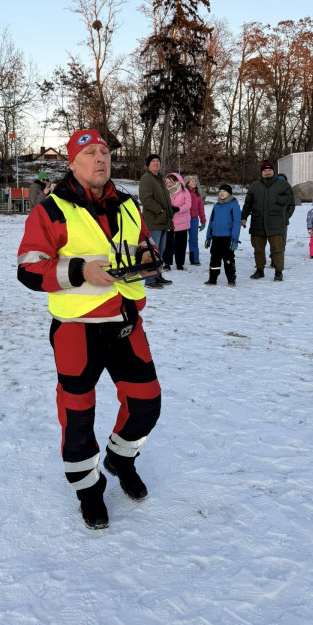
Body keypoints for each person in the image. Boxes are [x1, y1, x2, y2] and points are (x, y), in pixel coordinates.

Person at [17, 129, 162, 530]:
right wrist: (80, 270)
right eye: (90, 153)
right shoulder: (51, 210)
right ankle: (89, 491)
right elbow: (29, 269)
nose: (101, 159)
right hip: (76, 331)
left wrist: (148, 258)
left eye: (105, 152)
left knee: (147, 405)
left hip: (126, 322)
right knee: (78, 419)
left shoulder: (130, 205)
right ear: (72, 162)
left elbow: (139, 247)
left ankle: (120, 459)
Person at [241, 160, 295, 282]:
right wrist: (243, 217)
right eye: (264, 170)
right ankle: (260, 270)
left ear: (273, 171)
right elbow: (247, 204)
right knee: (258, 249)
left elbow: (290, 201)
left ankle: (278, 271)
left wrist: (284, 215)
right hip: (257, 221)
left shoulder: (283, 185)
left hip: (276, 223)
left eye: (269, 170)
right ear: (261, 172)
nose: (267, 172)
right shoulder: (255, 186)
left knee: (277, 249)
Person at [138, 154, 174, 289]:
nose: (156, 163)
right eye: (153, 161)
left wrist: (170, 212)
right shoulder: (146, 178)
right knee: (152, 252)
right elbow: (145, 199)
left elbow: (165, 199)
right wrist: (160, 210)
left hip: (163, 221)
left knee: (161, 251)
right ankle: (149, 279)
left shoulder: (159, 179)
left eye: (158, 161)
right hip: (153, 221)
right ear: (148, 165)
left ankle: (157, 275)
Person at [204, 184, 241, 286]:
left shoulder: (234, 205)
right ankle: (212, 278)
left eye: (224, 191)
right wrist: (208, 237)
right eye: (220, 191)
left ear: (229, 193)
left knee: (228, 259)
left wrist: (234, 239)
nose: (221, 193)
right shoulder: (216, 206)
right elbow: (211, 222)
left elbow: (236, 223)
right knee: (214, 259)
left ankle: (231, 278)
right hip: (216, 237)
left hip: (227, 238)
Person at [162, 173, 192, 270]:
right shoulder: (164, 191)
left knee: (181, 244)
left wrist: (178, 209)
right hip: (169, 222)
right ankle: (167, 262)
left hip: (182, 222)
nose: (168, 184)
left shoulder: (184, 191)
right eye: (166, 182)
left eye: (170, 182)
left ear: (176, 181)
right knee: (168, 243)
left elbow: (188, 205)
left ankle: (180, 263)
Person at [185, 177, 206, 265]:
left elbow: (201, 208)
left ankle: (194, 259)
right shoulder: (184, 193)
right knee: (181, 240)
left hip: (194, 220)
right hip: (183, 219)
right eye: (192, 181)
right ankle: (179, 258)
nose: (194, 182)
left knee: (193, 240)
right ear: (187, 183)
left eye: (195, 181)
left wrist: (203, 221)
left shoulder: (197, 195)